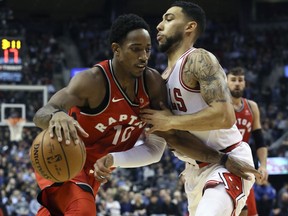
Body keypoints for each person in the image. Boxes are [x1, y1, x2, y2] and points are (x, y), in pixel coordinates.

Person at [33, 13, 258, 215]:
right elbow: (42, 113)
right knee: (82, 210)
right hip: (63, 157)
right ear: (116, 49)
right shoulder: (92, 81)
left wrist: (223, 160)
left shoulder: (152, 84)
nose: (143, 56)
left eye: (147, 49)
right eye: (135, 49)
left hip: (96, 168)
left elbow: (168, 140)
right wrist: (55, 116)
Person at [140, 1, 261, 215]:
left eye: (168, 19)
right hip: (197, 168)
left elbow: (225, 116)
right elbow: (174, 138)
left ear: (190, 27)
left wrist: (170, 121)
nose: (158, 26)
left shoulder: (198, 59)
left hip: (230, 160)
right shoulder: (161, 80)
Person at [227, 66, 269, 216]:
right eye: (233, 80)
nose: (237, 83)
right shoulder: (220, 106)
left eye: (240, 80)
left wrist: (263, 165)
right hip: (223, 164)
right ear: (226, 82)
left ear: (244, 83)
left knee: (249, 213)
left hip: (244, 166)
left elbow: (259, 139)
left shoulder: (252, 107)